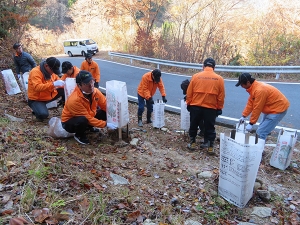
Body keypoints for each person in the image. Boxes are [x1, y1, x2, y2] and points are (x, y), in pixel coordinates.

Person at [61, 70, 117, 145]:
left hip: (89, 115)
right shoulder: (74, 100)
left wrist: (115, 117)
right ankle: (79, 135)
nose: (91, 85)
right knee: (82, 120)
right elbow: (87, 118)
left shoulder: (96, 92)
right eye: (86, 83)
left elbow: (105, 105)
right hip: (70, 122)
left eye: (91, 81)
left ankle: (88, 128)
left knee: (104, 113)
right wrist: (105, 124)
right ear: (79, 85)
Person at [186, 57, 225, 154]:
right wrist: (219, 107)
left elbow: (189, 92)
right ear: (214, 67)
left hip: (195, 106)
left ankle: (192, 143)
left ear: (203, 66)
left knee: (194, 124)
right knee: (210, 127)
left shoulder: (195, 76)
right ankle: (210, 146)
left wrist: (188, 103)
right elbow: (221, 96)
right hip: (211, 108)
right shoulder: (219, 79)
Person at [236, 73, 290, 140]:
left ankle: (259, 149)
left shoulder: (260, 90)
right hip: (270, 108)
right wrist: (243, 116)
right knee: (261, 129)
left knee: (261, 132)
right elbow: (250, 103)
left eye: (242, 84)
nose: (242, 86)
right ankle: (259, 146)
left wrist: (251, 123)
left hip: (278, 109)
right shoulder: (253, 88)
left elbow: (257, 108)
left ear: (248, 82)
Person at [27, 57, 65, 121]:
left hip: (48, 96)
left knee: (63, 90)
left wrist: (63, 83)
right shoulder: (35, 72)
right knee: (43, 115)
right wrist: (53, 84)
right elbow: (37, 87)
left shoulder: (52, 73)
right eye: (52, 70)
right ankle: (37, 109)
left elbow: (57, 80)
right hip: (36, 99)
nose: (53, 72)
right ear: (46, 65)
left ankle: (66, 108)